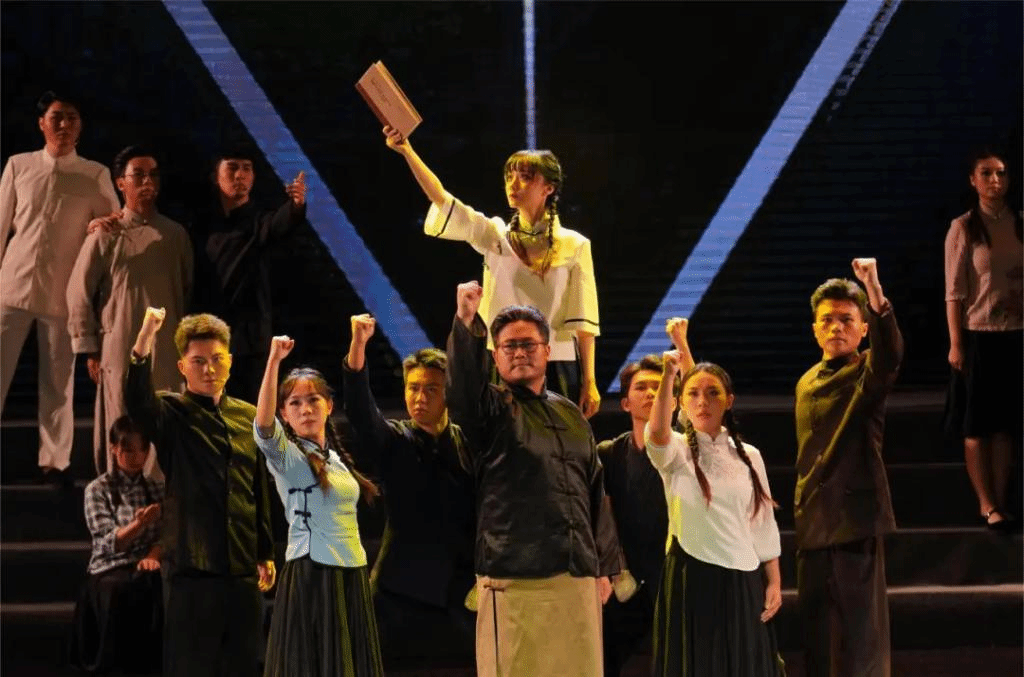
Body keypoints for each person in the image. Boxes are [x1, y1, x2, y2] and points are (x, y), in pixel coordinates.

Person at [446, 280, 618, 677]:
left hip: (575, 576)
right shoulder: (489, 408)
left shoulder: (571, 414)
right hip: (515, 579)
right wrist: (466, 321)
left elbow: (595, 490)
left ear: (547, 350)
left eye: (528, 344)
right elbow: (463, 392)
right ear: (495, 355)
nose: (520, 352)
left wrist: (604, 566)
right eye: (509, 346)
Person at [385, 126, 602, 417]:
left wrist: (590, 380)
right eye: (509, 177)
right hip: (503, 361)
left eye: (525, 177)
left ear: (548, 188)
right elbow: (443, 200)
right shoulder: (495, 236)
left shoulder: (575, 244)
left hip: (557, 362)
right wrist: (407, 152)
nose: (514, 184)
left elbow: (584, 321)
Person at [124, 307, 276, 677]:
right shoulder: (171, 412)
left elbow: (257, 486)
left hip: (241, 564)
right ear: (182, 367)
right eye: (198, 361)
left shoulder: (247, 415)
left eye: (217, 359)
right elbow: (137, 400)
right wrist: (146, 336)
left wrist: (264, 551)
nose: (209, 369)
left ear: (230, 362)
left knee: (245, 663)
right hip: (192, 567)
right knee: (191, 666)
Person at [646, 329, 784, 676]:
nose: (702, 401)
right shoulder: (676, 451)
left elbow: (762, 522)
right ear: (681, 402)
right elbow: (658, 431)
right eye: (692, 394)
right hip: (692, 575)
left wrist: (774, 580)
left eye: (712, 393)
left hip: (742, 578)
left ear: (729, 400)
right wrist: (668, 376)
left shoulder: (749, 455)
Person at [343, 314, 476, 668]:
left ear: (448, 392)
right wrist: (358, 346)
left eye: (431, 389)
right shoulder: (395, 440)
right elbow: (361, 413)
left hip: (456, 598)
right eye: (413, 388)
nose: (419, 398)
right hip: (396, 598)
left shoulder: (468, 445)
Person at [0, 90, 119, 484]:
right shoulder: (18, 165)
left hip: (63, 293)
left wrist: (101, 226)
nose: (64, 124)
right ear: (41, 123)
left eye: (71, 117)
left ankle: (55, 461)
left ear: (80, 125)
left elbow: (112, 225)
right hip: (11, 287)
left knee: (58, 383)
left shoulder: (94, 173)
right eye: (56, 117)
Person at [794, 259, 903, 677]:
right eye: (827, 320)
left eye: (846, 320)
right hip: (812, 523)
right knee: (818, 642)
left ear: (863, 329)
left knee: (861, 643)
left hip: (854, 521)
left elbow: (890, 354)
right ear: (814, 329)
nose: (836, 327)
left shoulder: (867, 371)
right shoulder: (805, 382)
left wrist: (873, 288)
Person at [254, 335, 384, 677]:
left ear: (329, 405)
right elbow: (263, 427)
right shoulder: (289, 459)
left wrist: (358, 343)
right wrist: (273, 361)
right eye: (295, 403)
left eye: (313, 399)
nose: (306, 409)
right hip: (314, 574)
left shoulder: (336, 459)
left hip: (350, 571)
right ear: (285, 413)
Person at [67, 144, 193, 478]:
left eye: (153, 175)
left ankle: (163, 499)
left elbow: (184, 291)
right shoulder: (106, 234)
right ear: (121, 183)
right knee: (123, 420)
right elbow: (78, 292)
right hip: (120, 343)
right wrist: (90, 348)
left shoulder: (175, 235)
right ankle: (121, 500)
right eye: (138, 175)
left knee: (164, 417)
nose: (147, 181)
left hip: (166, 348)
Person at [189, 145, 307, 403]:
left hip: (251, 343)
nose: (239, 175)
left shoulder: (260, 221)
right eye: (232, 168)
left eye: (246, 169)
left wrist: (296, 205)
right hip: (210, 338)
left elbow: (281, 222)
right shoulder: (200, 224)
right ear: (216, 175)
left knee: (252, 412)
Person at [944, 147, 1023, 530]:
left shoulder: (1019, 222)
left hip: (1015, 334)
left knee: (1005, 427)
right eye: (987, 173)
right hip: (979, 336)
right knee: (976, 426)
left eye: (1001, 173)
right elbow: (954, 292)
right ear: (973, 180)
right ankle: (986, 503)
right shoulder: (964, 227)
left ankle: (1002, 500)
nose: (995, 180)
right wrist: (956, 343)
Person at [71, 415, 164, 674]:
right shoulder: (98, 489)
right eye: (128, 450)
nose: (136, 457)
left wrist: (154, 555)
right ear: (114, 449)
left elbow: (167, 535)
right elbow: (109, 543)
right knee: (118, 590)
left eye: (142, 450)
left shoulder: (157, 488)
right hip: (109, 566)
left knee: (158, 586)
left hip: (146, 562)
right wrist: (139, 524)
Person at [598, 350, 670, 677]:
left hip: (672, 572)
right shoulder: (610, 453)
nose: (651, 393)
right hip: (626, 573)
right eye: (641, 387)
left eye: (659, 387)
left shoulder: (684, 451)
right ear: (626, 403)